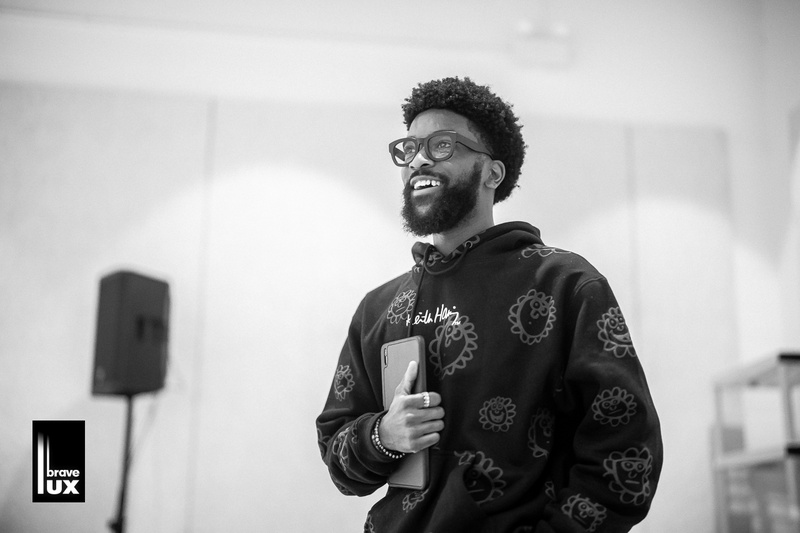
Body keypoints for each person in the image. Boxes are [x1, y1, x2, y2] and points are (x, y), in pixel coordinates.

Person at [316, 76, 663, 532]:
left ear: (492, 173)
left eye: (442, 145)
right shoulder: (378, 308)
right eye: (409, 148)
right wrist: (385, 435)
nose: (418, 158)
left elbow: (626, 451)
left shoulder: (564, 284)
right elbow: (340, 463)